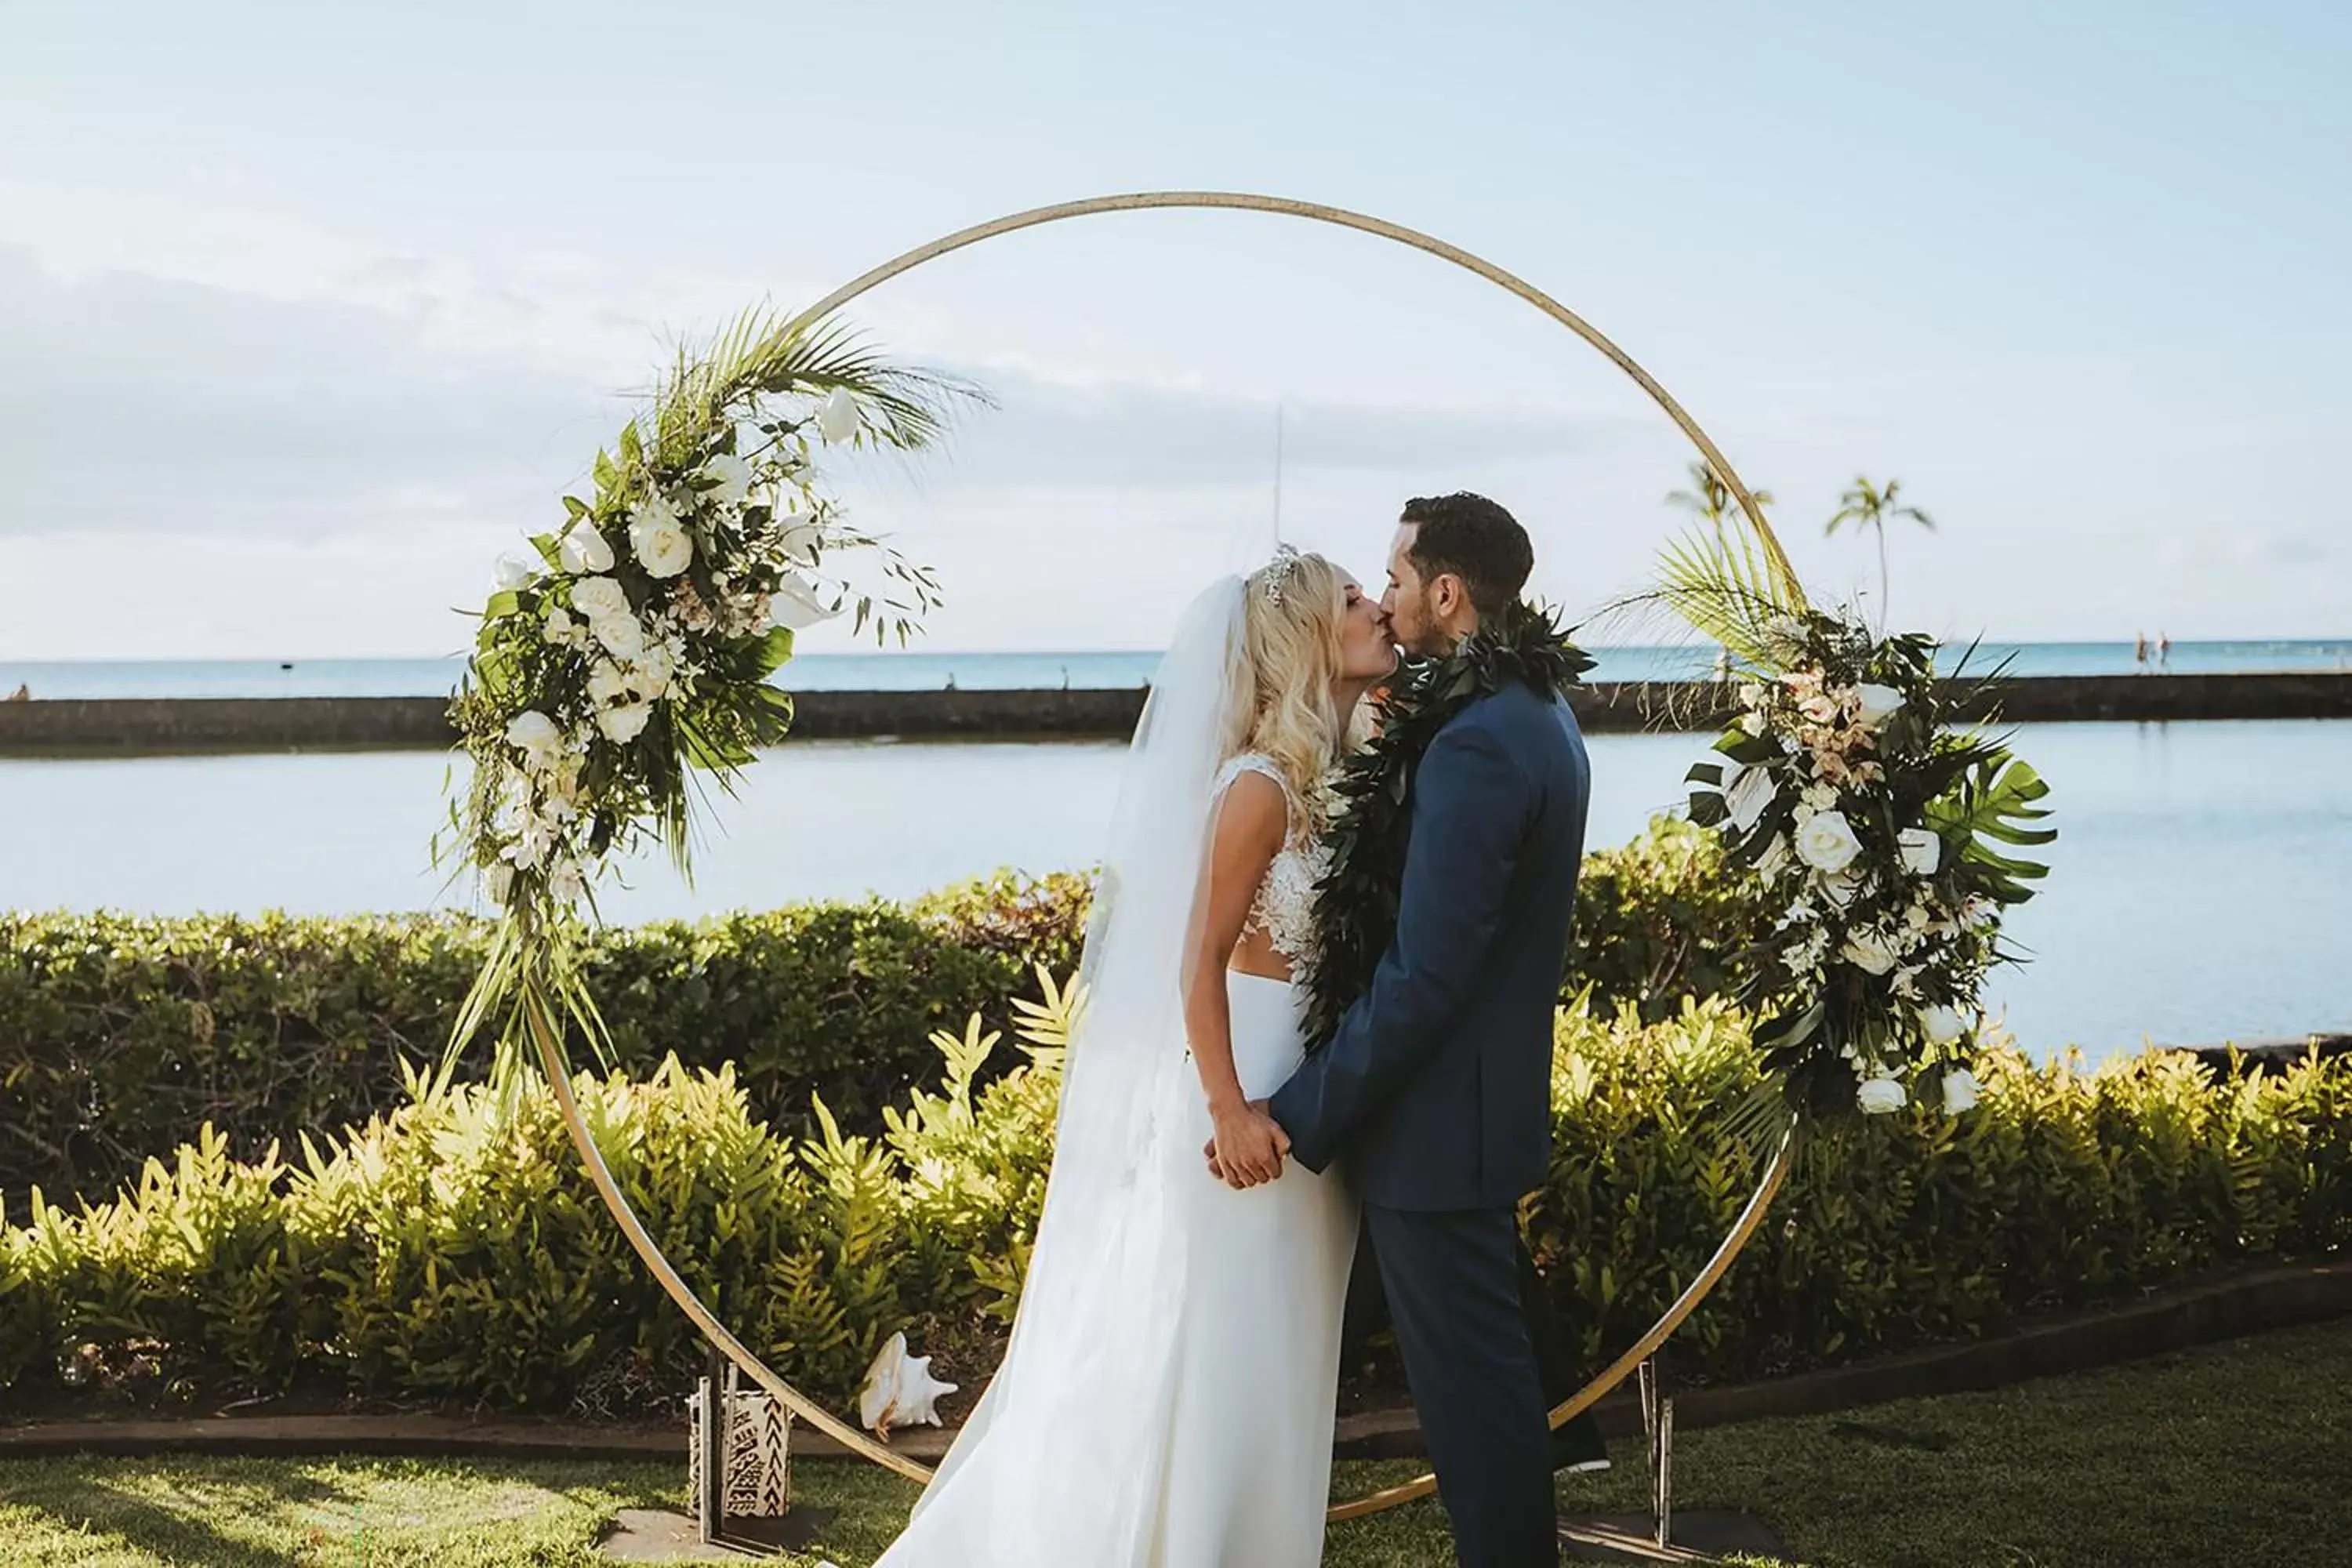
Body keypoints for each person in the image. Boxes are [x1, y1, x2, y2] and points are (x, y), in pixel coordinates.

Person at [870, 546, 1396, 1567]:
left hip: (1307, 1088)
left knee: (1276, 1344)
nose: (1378, 606)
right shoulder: (1255, 789)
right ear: (1303, 639)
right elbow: (1192, 963)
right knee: (1219, 1340)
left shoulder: (1325, 773)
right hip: (1240, 1089)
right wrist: (1231, 1107)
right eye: (1353, 598)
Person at [1247, 492, 1595, 1567]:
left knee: (1479, 1423)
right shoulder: (1529, 713)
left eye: (1396, 580)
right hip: (1456, 1120)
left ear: (1447, 593)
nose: (1387, 600)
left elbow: (1428, 975)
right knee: (1371, 1366)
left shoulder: (1482, 742)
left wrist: (1296, 1113)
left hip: (1437, 1134)